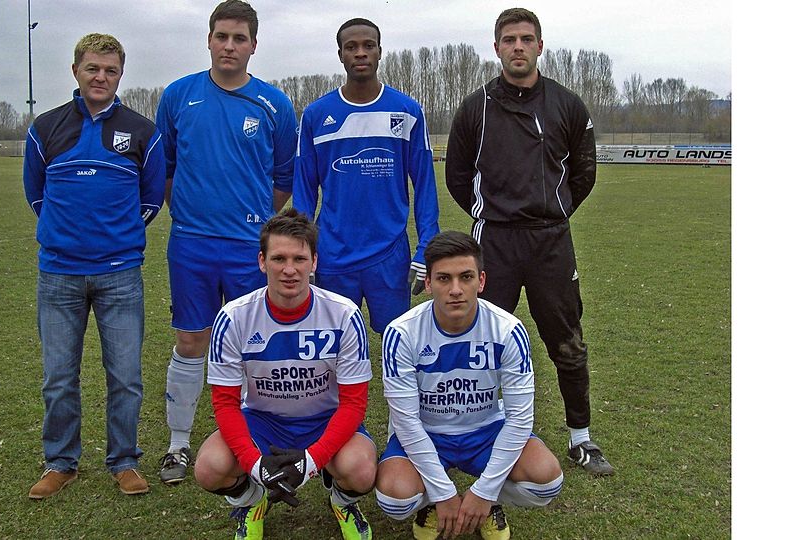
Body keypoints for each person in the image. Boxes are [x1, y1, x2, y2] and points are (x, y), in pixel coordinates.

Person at [444, 7, 614, 476]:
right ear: (496, 47)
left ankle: (580, 438)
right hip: (493, 242)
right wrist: (495, 213)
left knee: (566, 340)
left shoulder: (568, 105)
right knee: (479, 338)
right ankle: (469, 429)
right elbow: (458, 177)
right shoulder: (474, 107)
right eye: (508, 39)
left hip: (550, 244)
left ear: (540, 46)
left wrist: (548, 215)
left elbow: (583, 174)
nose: (517, 46)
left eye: (526, 39)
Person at [155, 0, 299, 485]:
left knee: (248, 347)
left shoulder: (274, 104)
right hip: (192, 244)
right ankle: (178, 446)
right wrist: (192, 212)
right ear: (209, 40)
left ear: (253, 45)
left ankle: (247, 441)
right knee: (192, 340)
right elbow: (165, 170)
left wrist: (254, 217)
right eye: (222, 36)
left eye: (240, 38)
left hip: (246, 247)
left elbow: (283, 179)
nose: (230, 46)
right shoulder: (178, 96)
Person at [22, 33, 165, 499]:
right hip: (58, 275)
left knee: (125, 375)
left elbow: (151, 198)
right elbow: (36, 194)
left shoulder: (142, 130)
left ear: (120, 75)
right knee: (59, 377)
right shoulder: (45, 127)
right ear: (76, 71)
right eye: (92, 68)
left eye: (110, 70)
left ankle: (124, 460)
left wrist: (114, 239)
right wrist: (69, 235)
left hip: (120, 274)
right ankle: (60, 462)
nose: (100, 77)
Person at [193, 208, 376, 540]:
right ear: (262, 262)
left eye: (299, 258)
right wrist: (253, 465)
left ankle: (342, 500)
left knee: (361, 470)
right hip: (262, 422)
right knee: (209, 468)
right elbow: (225, 404)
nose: (289, 269)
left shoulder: (344, 315)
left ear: (314, 262)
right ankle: (253, 500)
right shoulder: (233, 318)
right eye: (278, 258)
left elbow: (353, 404)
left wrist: (311, 461)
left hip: (325, 419)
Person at [375, 231, 564, 540]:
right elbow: (406, 421)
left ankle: (487, 504)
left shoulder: (508, 330)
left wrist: (485, 492)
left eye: (466, 277)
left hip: (486, 431)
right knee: (395, 500)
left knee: (546, 481)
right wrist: (443, 492)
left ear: (482, 281)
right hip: (427, 432)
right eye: (444, 279)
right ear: (428, 283)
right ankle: (434, 504)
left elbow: (519, 418)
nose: (456, 290)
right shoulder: (402, 333)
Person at [293, 17, 440, 336]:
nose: (360, 53)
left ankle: (398, 388)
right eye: (351, 47)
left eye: (368, 45)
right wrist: (302, 249)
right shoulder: (317, 115)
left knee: (396, 342)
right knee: (331, 343)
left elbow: (425, 185)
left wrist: (426, 244)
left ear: (380, 51)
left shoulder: (407, 110)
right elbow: (304, 190)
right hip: (333, 252)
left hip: (389, 254)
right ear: (340, 54)